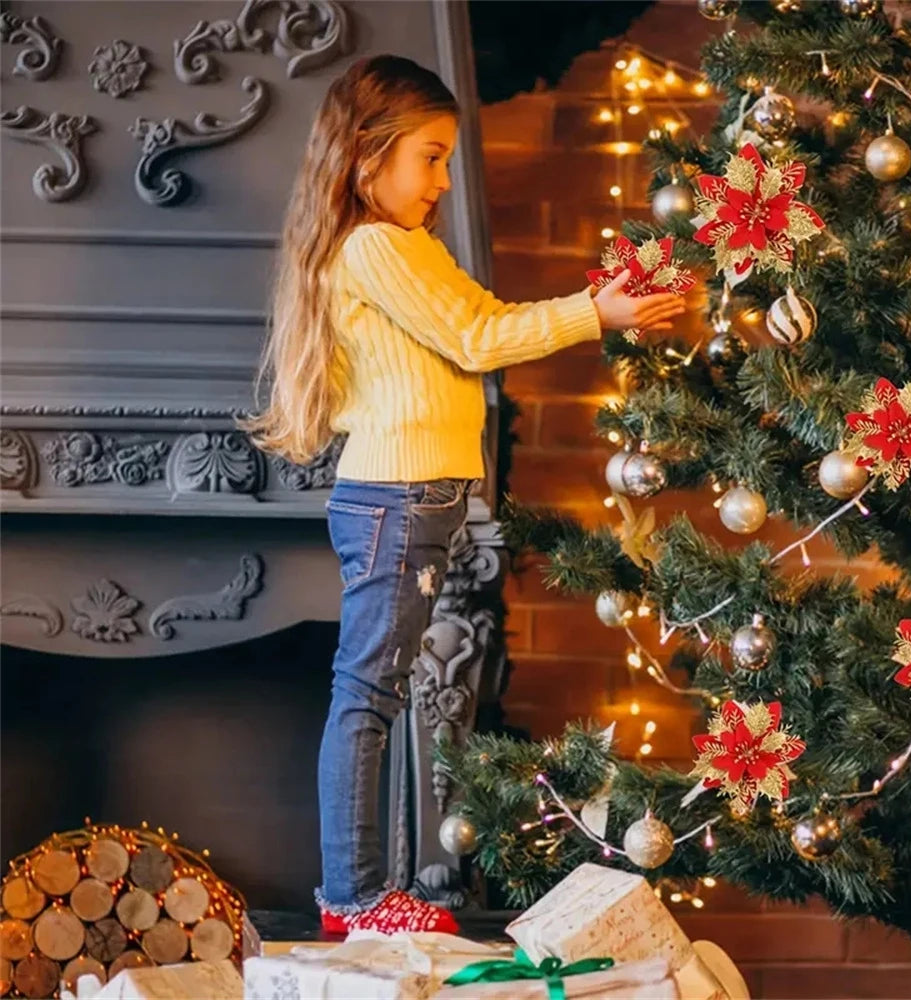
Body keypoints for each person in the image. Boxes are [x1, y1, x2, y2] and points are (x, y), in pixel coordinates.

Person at [241, 53, 686, 935]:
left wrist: (593, 305)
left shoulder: (406, 246)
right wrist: (594, 312)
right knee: (366, 696)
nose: (443, 179)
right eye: (431, 157)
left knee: (375, 694)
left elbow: (479, 326)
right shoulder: (373, 246)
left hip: (416, 499)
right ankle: (353, 900)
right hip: (398, 499)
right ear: (368, 156)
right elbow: (480, 339)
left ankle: (360, 897)